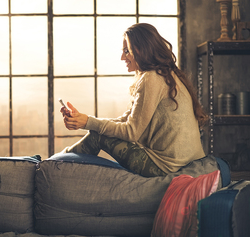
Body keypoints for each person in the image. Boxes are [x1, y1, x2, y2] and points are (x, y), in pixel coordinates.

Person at [59, 23, 208, 177]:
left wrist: (88, 122)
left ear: (140, 50)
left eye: (126, 51)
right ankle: (58, 162)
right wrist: (83, 120)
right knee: (98, 130)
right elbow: (127, 120)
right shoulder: (164, 74)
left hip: (167, 168)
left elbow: (131, 132)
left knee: (98, 135)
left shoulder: (151, 78)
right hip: (186, 164)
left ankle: (56, 166)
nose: (122, 57)